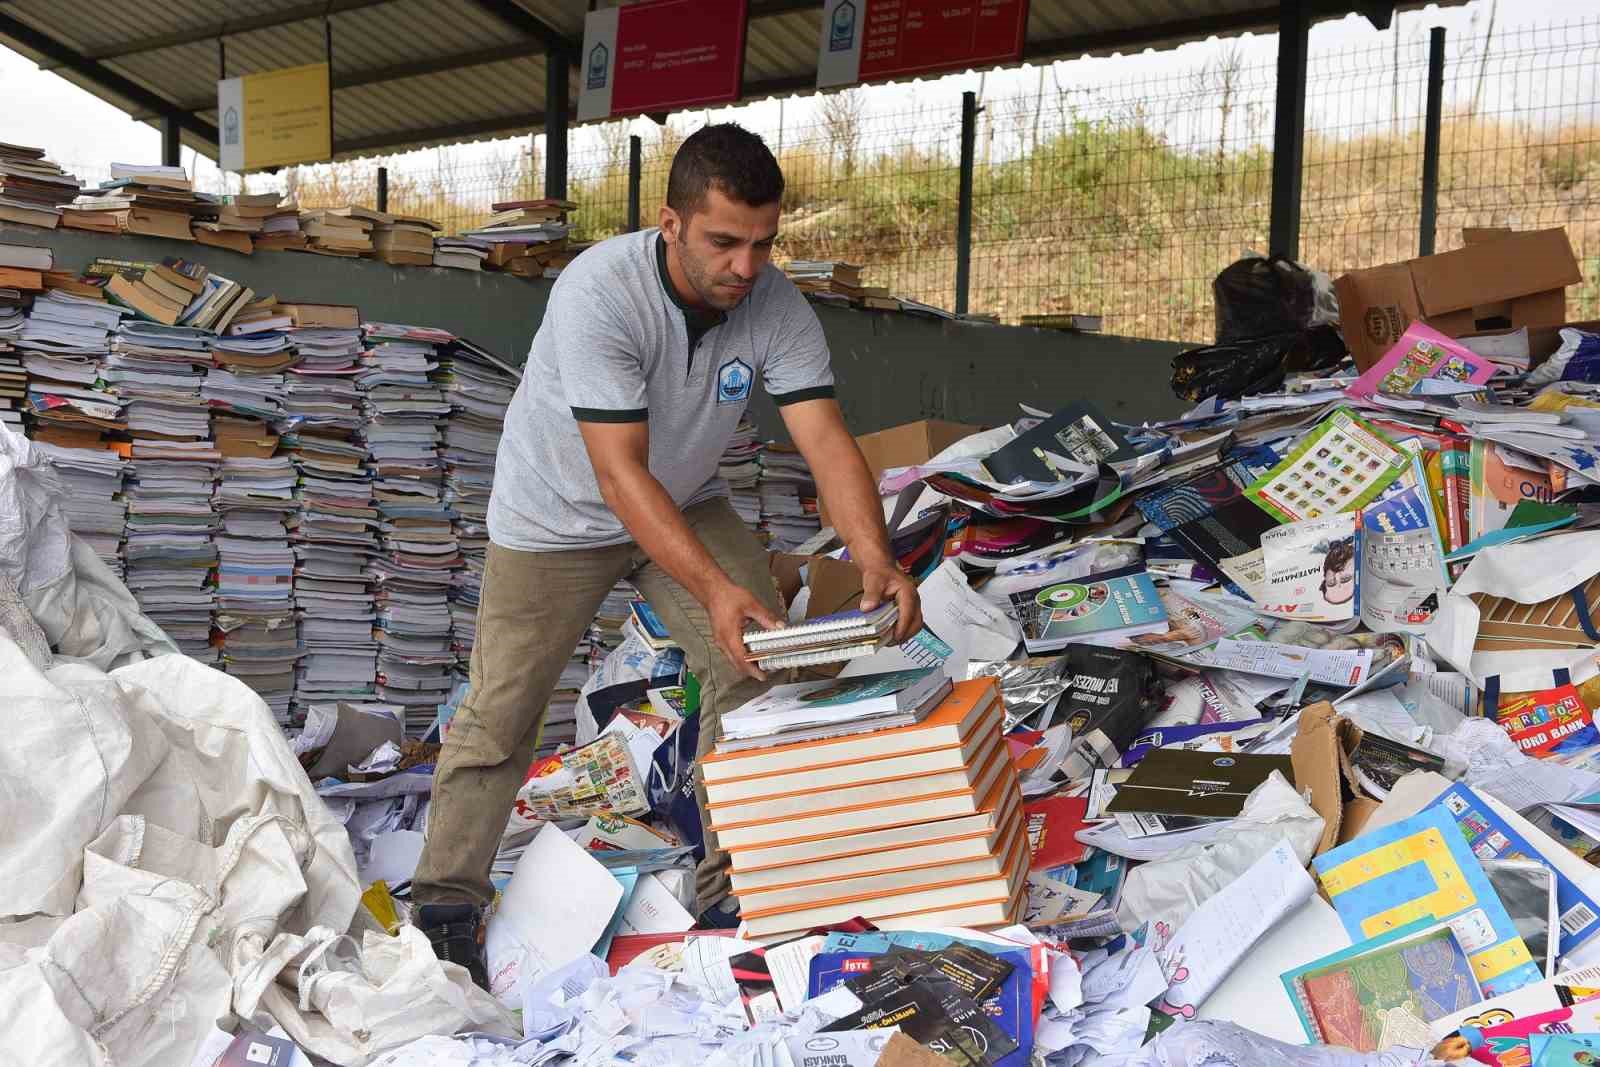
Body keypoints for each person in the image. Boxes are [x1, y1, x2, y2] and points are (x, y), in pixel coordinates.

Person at [410, 123, 923, 987]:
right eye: (725, 241)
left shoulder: (774, 302)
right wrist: (718, 587)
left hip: (682, 498)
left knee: (752, 671)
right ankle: (445, 904)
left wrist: (876, 554)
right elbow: (618, 475)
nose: (747, 266)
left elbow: (826, 439)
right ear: (671, 223)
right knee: (504, 710)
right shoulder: (599, 293)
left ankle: (741, 894)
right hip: (557, 517)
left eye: (763, 243)